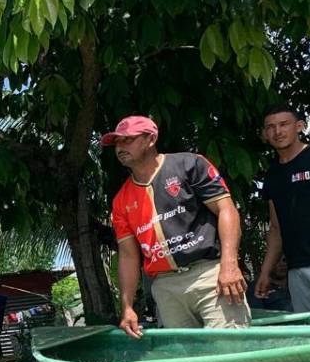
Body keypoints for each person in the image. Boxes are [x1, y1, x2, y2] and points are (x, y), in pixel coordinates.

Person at [105, 115, 249, 338]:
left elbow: (226, 209)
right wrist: (127, 307)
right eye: (117, 142)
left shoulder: (189, 164)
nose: (120, 147)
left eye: (128, 140)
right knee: (187, 361)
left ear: (150, 139)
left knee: (229, 349)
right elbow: (128, 256)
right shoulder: (121, 200)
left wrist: (229, 265)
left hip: (211, 276)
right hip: (165, 286)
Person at [255, 104, 310, 316]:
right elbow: (275, 228)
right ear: (264, 134)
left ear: (299, 126)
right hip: (296, 271)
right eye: (270, 127)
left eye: (284, 124)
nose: (277, 131)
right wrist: (265, 272)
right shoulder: (272, 175)